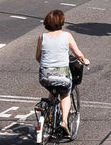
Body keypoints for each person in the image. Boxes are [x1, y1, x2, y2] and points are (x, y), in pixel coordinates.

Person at [36, 9, 89, 137]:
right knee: (65, 95)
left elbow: (38, 57)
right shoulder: (67, 36)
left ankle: (48, 116)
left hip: (44, 75)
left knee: (52, 89)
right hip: (62, 75)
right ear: (61, 22)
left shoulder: (41, 37)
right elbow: (78, 53)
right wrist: (84, 60)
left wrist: (47, 66)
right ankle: (64, 122)